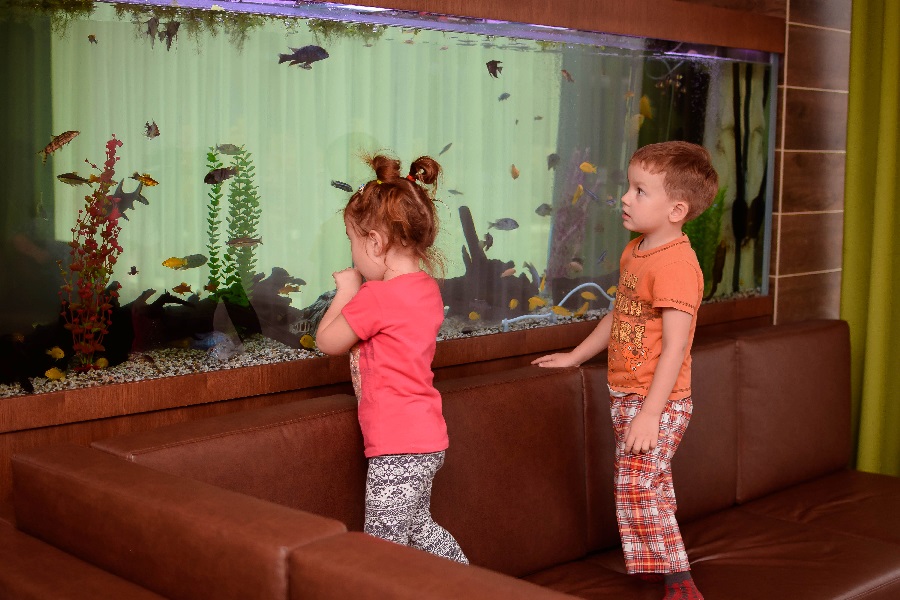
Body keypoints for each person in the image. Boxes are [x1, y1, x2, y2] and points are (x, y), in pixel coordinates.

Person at [532, 141, 718, 600]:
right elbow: (620, 315)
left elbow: (676, 346)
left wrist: (651, 414)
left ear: (677, 210)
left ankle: (680, 582)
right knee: (651, 483)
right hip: (626, 393)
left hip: (661, 402)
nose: (626, 198)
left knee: (636, 485)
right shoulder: (636, 251)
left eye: (640, 191)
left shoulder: (677, 266)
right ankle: (658, 567)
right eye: (629, 187)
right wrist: (576, 356)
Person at [315, 153, 468, 565]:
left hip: (397, 448)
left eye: (352, 242)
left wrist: (347, 291)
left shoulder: (377, 297)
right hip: (427, 439)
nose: (353, 255)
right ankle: (471, 584)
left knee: (381, 554)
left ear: (374, 242)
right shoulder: (426, 288)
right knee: (419, 531)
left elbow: (327, 341)